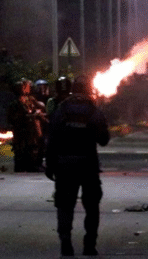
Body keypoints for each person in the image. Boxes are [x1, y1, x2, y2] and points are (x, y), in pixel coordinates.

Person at [45, 75, 110, 256]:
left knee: (65, 205)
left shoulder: (61, 109)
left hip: (65, 165)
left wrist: (50, 165)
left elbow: (52, 139)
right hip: (88, 165)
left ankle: (66, 242)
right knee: (92, 206)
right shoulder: (93, 110)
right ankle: (89, 245)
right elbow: (104, 139)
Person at [7, 78, 46, 172]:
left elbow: (39, 108)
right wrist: (31, 116)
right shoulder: (16, 103)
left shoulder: (31, 100)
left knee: (36, 146)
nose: (29, 88)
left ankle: (34, 164)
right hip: (22, 130)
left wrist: (38, 113)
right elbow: (14, 118)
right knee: (22, 148)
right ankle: (22, 166)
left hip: (33, 130)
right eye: (26, 86)